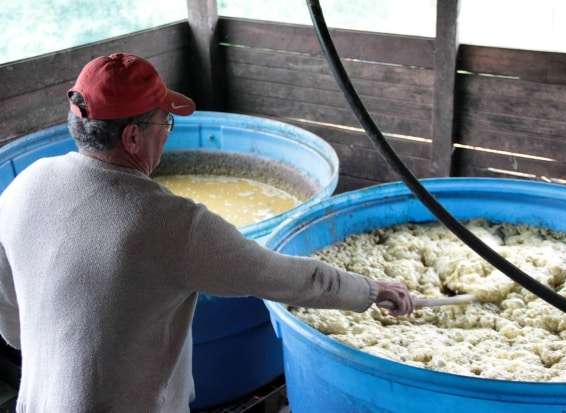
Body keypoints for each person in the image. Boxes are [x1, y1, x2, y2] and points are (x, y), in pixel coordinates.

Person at [0, 53, 414, 412]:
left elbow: (9, 316)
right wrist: (371, 290)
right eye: (166, 123)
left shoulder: (22, 187)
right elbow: (282, 277)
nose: (166, 134)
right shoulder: (167, 223)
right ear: (131, 136)